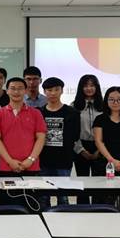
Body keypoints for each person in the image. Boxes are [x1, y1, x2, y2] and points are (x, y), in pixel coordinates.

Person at [0, 77, 47, 209]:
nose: (16, 92)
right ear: (7, 91)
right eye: (13, 88)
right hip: (6, 166)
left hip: (31, 166)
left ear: (25, 91)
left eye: (20, 88)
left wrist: (30, 159)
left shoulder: (36, 113)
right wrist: (10, 161)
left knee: (31, 204)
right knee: (8, 204)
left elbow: (41, 138)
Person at [38, 77, 79, 206]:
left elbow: (75, 135)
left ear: (62, 91)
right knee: (43, 197)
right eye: (49, 90)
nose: (53, 93)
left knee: (63, 197)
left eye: (56, 89)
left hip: (63, 160)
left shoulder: (72, 112)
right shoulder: (39, 112)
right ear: (44, 92)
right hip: (43, 159)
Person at [72, 75, 104, 177]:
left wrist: (100, 149)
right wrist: (81, 150)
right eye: (85, 86)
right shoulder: (73, 106)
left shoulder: (104, 106)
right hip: (80, 145)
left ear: (97, 87)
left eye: (92, 85)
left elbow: (108, 129)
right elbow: (72, 131)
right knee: (82, 180)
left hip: (100, 146)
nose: (89, 88)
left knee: (99, 180)